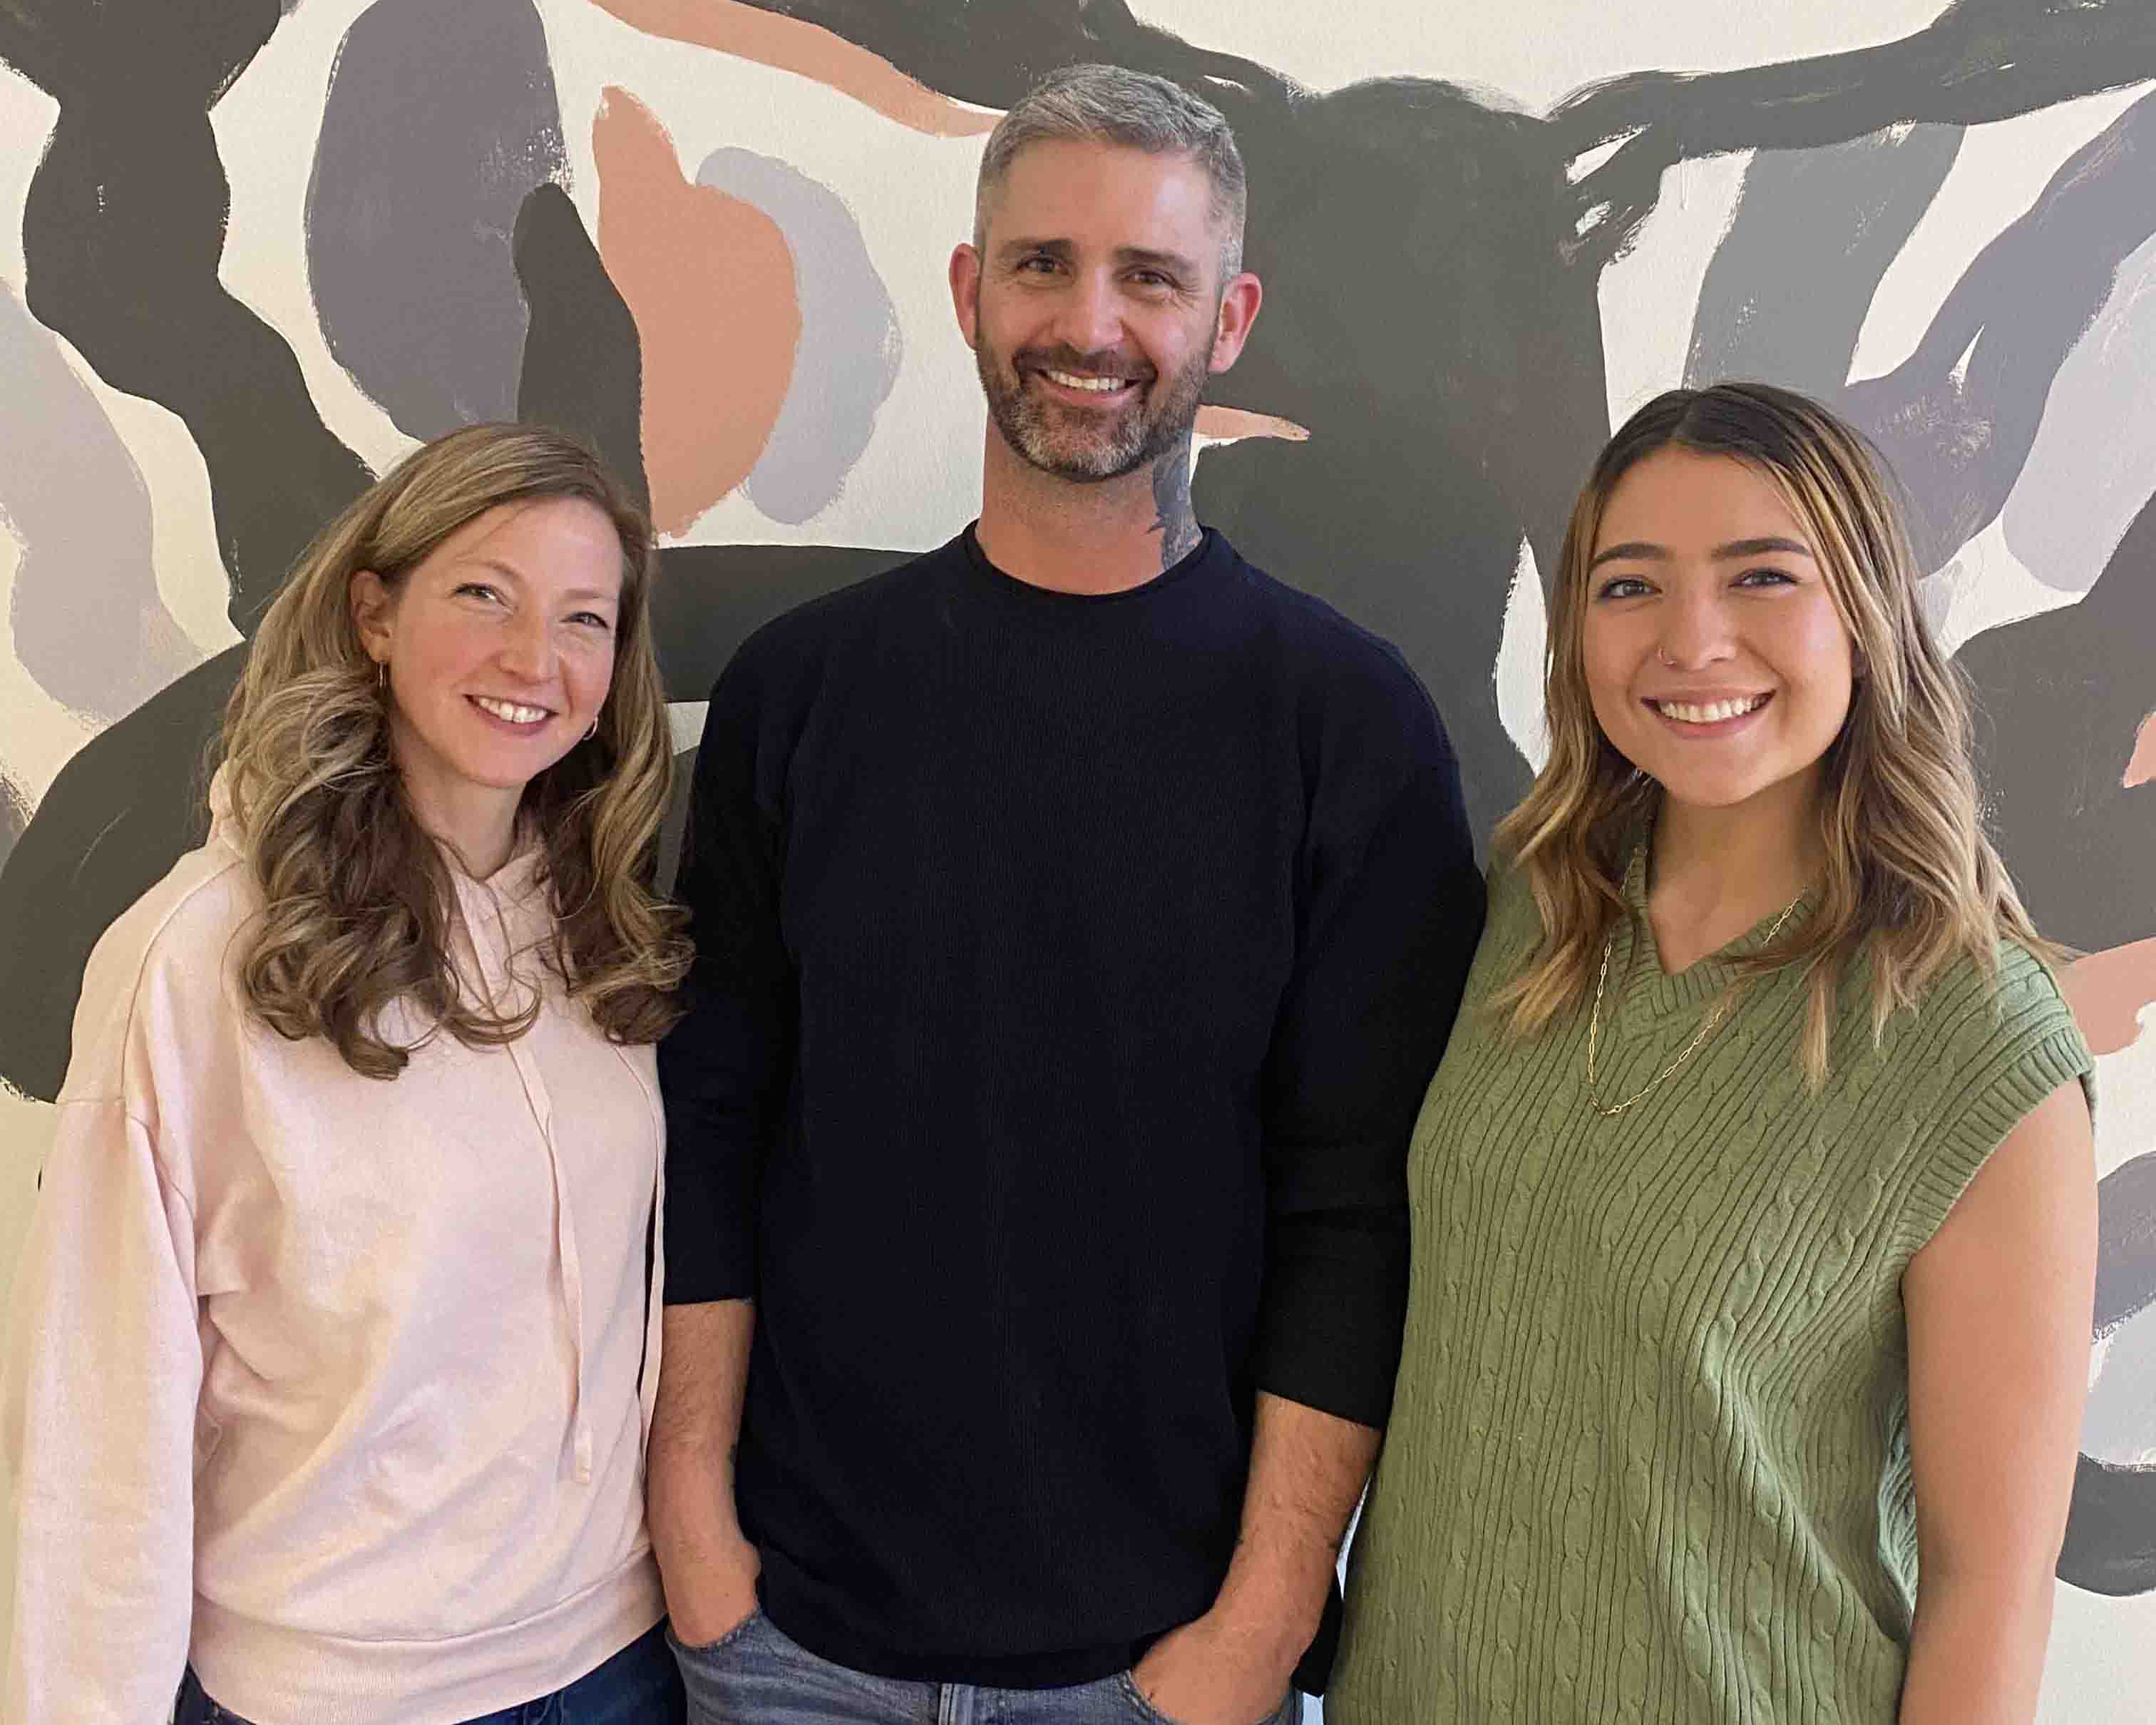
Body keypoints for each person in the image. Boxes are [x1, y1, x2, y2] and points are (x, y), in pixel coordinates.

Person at [650, 61, 1484, 1725]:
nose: (1087, 323)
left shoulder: (1348, 723)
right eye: (1042, 264)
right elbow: (714, 1119)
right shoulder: (801, 696)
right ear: (971, 291)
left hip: (1163, 1666)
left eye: (1150, 277)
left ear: (1229, 317)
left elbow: (1359, 1207)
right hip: (790, 1644)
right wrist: (693, 1521)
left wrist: (1259, 1624)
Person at [1330, 382, 2098, 1723]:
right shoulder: (1528, 907)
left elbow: (1995, 1589)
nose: (1693, 641)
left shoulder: (1980, 1043)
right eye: (1631, 588)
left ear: (1863, 614)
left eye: (1762, 577)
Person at [1, 424, 694, 1724]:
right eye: (484, 593)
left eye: (584, 618)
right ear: (375, 611)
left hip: (617, 1664)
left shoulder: (606, 925)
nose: (534, 660)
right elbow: (96, 1423)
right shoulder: (195, 955)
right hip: (327, 1692)